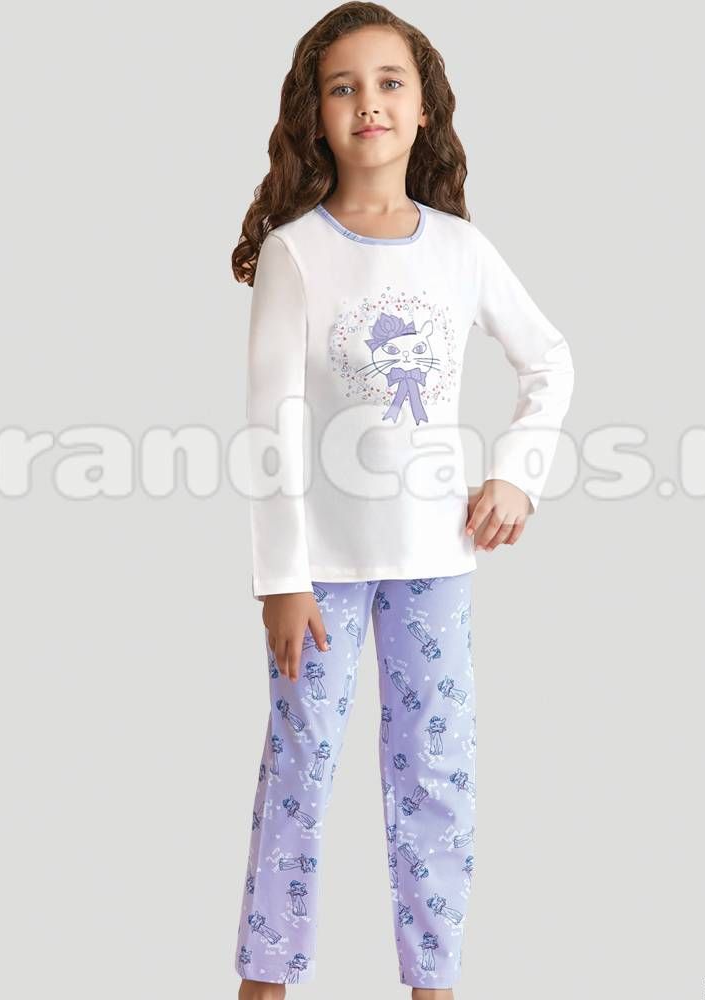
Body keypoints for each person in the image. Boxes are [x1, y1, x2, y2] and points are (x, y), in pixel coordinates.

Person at [230, 4, 576, 997]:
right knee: (301, 766)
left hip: (434, 564)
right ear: (315, 113)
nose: (369, 102)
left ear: (425, 108)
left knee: (435, 772)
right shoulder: (297, 253)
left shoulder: (461, 249)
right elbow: (270, 424)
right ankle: (265, 977)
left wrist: (517, 472)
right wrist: (280, 578)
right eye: (343, 87)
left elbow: (548, 359)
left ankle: (434, 978)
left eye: (390, 82)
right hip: (321, 576)